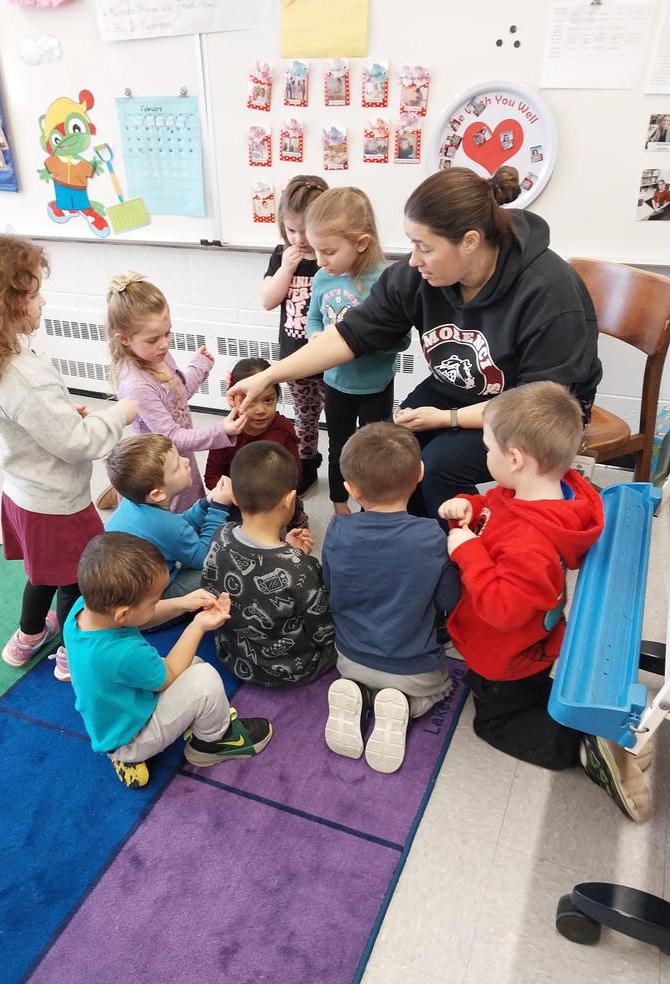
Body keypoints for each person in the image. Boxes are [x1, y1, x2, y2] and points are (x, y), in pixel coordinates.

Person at [229, 166, 602, 520]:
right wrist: (269, 376)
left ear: (470, 241)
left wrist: (447, 419)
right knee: (396, 447)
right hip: (462, 390)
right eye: (411, 244)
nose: (413, 259)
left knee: (440, 464)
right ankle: (419, 536)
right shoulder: (417, 277)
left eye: (424, 247)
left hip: (543, 412)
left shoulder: (549, 290)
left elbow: (541, 403)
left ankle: (464, 551)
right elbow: (349, 334)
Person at [439, 382, 651, 823]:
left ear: (514, 460)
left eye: (488, 448)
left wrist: (467, 550)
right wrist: (470, 507)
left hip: (504, 651)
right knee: (528, 693)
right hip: (535, 643)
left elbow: (502, 608)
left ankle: (581, 744)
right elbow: (497, 507)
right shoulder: (556, 493)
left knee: (494, 718)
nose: (485, 457)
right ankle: (560, 715)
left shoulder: (529, 544)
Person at [0, 230, 137, 684]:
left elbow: (22, 424)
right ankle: (70, 650)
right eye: (32, 292)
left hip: (21, 493)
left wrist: (64, 416)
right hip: (59, 505)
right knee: (75, 581)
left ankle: (28, 635)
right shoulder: (25, 376)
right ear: (1, 305)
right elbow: (78, 444)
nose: (42, 301)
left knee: (41, 574)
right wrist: (119, 414)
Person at [64, 532, 273, 788]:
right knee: (203, 678)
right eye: (155, 601)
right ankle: (213, 742)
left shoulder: (84, 609)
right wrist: (198, 625)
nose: (157, 604)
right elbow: (169, 675)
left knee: (192, 665)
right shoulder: (123, 654)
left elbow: (142, 617)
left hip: (116, 716)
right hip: (132, 738)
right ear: (123, 614)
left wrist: (182, 604)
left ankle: (129, 751)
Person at [322, 423, 460, 773]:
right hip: (413, 670)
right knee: (441, 685)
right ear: (421, 474)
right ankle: (407, 706)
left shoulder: (337, 530)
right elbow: (450, 600)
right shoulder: (432, 536)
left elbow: (329, 586)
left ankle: (360, 696)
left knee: (359, 673)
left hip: (348, 658)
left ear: (351, 489)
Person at [106, 272, 248, 513]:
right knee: (177, 517)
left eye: (167, 333)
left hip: (178, 455)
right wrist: (220, 431)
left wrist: (198, 367)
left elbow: (177, 396)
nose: (164, 344)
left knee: (190, 497)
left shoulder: (156, 355)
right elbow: (173, 436)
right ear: (124, 339)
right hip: (162, 468)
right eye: (153, 339)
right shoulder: (137, 384)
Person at [305, 187, 409, 516]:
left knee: (374, 452)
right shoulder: (323, 277)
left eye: (329, 251)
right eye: (316, 250)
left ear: (361, 243)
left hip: (375, 386)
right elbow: (313, 319)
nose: (320, 260)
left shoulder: (385, 280)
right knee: (339, 447)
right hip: (336, 383)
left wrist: (369, 339)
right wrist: (316, 336)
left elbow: (402, 339)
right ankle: (339, 505)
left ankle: (372, 509)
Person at [201, 442, 335, 688]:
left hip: (230, 655)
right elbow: (322, 631)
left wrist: (289, 552)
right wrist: (296, 559)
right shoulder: (301, 568)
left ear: (235, 497)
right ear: (290, 499)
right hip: (289, 671)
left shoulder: (220, 533)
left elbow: (208, 589)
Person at [105, 433, 232, 608]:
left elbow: (178, 525)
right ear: (157, 494)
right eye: (177, 466)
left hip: (120, 596)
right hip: (148, 606)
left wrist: (205, 504)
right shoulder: (165, 525)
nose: (186, 461)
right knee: (221, 567)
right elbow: (204, 556)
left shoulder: (132, 503)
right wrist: (218, 508)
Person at [261, 174, 329, 496]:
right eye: (291, 230)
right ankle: (307, 465)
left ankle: (340, 466)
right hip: (295, 360)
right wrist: (286, 269)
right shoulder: (282, 255)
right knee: (304, 417)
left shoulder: (331, 256)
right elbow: (268, 300)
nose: (299, 239)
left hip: (332, 361)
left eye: (306, 230)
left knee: (339, 418)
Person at [204, 357, 307, 532]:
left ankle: (297, 520)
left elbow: (295, 476)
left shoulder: (283, 430)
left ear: (277, 398)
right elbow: (212, 477)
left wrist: (274, 494)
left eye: (268, 400)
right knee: (225, 524)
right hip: (238, 498)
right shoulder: (225, 433)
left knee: (292, 502)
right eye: (250, 401)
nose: (260, 410)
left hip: (276, 495)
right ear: (232, 398)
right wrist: (239, 496)